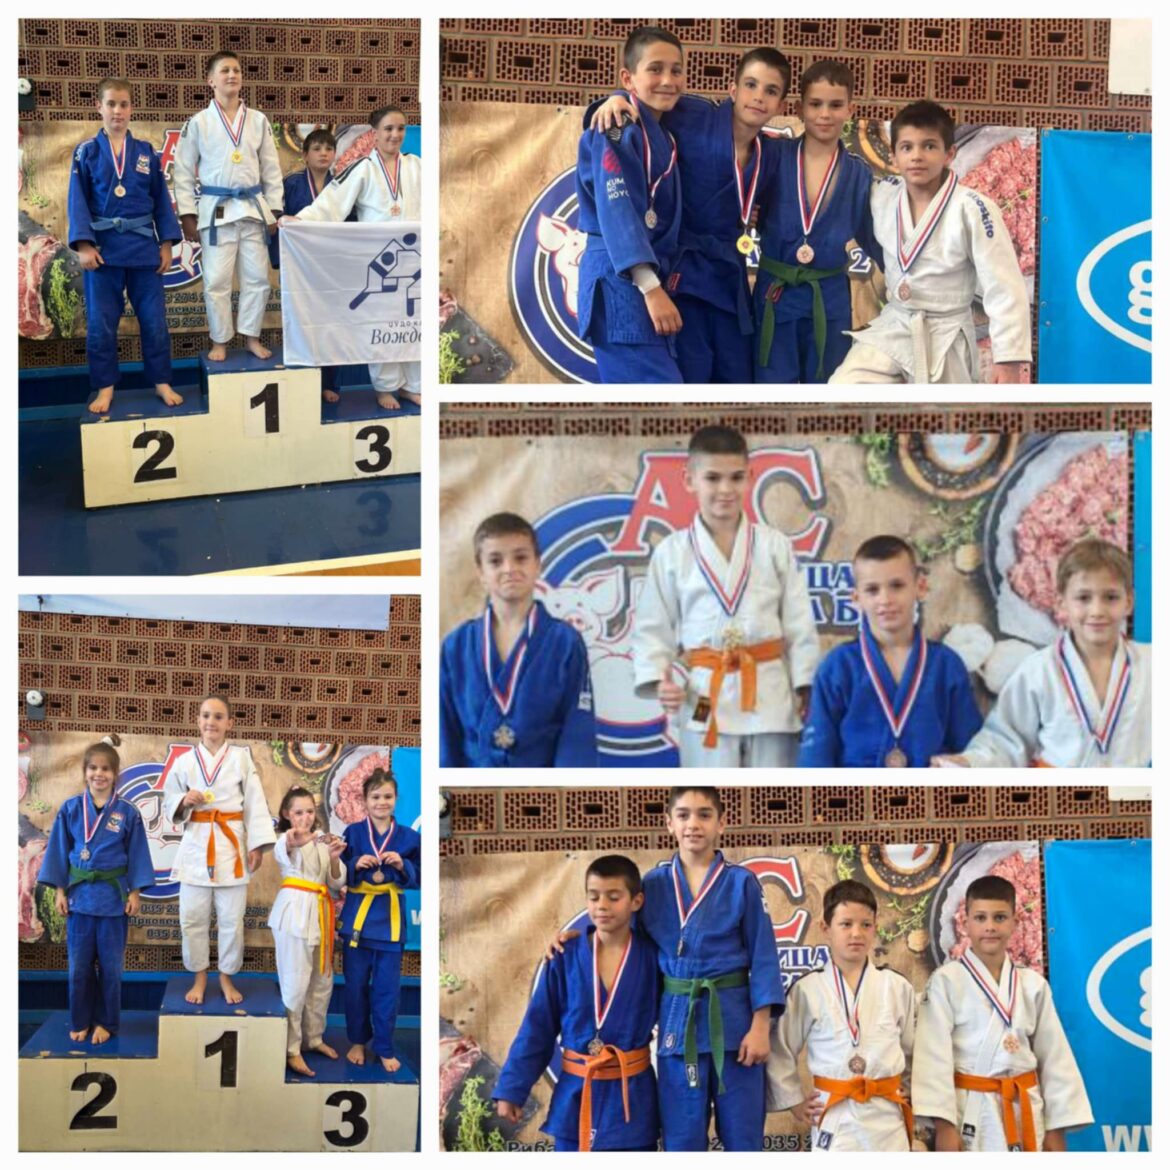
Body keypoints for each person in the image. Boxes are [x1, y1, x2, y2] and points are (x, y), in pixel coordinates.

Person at [589, 48, 791, 383]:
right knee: (692, 377)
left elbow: (771, 204)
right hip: (685, 277)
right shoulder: (694, 114)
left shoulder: (770, 152)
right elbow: (650, 98)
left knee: (736, 379)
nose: (758, 97)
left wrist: (753, 214)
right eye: (750, 85)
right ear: (733, 89)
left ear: (781, 105)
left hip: (731, 278)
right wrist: (616, 97)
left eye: (770, 91)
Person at [632, 425, 819, 767]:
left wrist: (804, 681)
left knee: (773, 793)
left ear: (750, 478)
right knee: (709, 790)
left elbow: (799, 622)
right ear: (689, 479)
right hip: (704, 693)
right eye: (713, 478)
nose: (725, 489)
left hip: (770, 693)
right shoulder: (672, 553)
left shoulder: (774, 545)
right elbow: (651, 627)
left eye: (736, 478)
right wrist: (659, 679)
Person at [830, 100, 1030, 384]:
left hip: (946, 332)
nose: (917, 156)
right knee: (845, 386)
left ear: (949, 154)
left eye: (929, 146)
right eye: (907, 147)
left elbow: (1004, 286)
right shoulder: (882, 195)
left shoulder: (973, 207)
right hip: (896, 324)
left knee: (943, 410)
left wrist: (1008, 360)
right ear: (893, 156)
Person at [912, 875, 1092, 1150]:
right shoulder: (946, 981)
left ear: (1015, 922)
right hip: (971, 1110)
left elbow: (1055, 1057)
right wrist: (944, 1126)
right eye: (980, 918)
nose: (990, 927)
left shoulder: (1033, 984)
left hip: (1025, 1107)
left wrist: (1056, 1128)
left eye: (999, 918)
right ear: (965, 923)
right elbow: (932, 1057)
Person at [935, 538, 1150, 767]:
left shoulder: (1154, 664)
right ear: (1061, 603)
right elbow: (1006, 740)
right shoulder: (1038, 669)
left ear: (1129, 602)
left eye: (1111, 597)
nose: (1097, 610)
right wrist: (968, 763)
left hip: (1133, 788)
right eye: (1083, 598)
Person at [494, 855, 660, 1152]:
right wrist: (512, 1089)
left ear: (636, 901)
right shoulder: (565, 955)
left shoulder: (654, 957)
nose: (602, 906)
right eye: (594, 897)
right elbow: (538, 1026)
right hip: (576, 1094)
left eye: (613, 897)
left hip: (632, 1101)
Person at [280, 105, 421, 409]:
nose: (395, 134)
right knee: (382, 325)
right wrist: (301, 220)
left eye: (400, 128)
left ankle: (413, 386)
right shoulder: (362, 168)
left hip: (415, 259)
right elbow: (332, 204)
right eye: (388, 128)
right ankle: (385, 387)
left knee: (413, 323)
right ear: (374, 133)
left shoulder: (417, 166)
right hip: (380, 259)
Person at [799, 535, 982, 767]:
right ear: (856, 598)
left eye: (896, 586)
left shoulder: (946, 665)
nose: (885, 599)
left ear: (920, 587)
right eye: (872, 590)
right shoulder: (837, 666)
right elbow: (816, 757)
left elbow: (970, 750)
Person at [755, 61, 881, 384]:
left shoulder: (859, 173)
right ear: (800, 108)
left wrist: (908, 279)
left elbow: (874, 240)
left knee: (827, 389)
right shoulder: (774, 156)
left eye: (835, 105)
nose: (825, 114)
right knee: (771, 391)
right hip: (775, 293)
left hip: (828, 297)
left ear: (850, 110)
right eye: (815, 104)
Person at [439, 512, 598, 767]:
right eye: (495, 561)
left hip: (541, 784)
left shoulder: (565, 642)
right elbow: (444, 738)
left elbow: (577, 735)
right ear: (480, 572)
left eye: (521, 558)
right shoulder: (456, 647)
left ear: (537, 564)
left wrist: (564, 790)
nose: (509, 569)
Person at [767, 880, 916, 1151]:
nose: (856, 933)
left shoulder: (896, 986)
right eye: (846, 924)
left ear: (875, 928)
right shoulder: (807, 989)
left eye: (865, 925)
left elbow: (914, 1049)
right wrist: (794, 1101)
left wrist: (911, 1088)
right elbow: (780, 1048)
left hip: (887, 1113)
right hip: (835, 1112)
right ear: (826, 928)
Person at [576, 26, 685, 383]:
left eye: (676, 70)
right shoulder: (615, 124)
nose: (668, 80)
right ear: (628, 78)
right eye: (655, 69)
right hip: (622, 277)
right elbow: (617, 209)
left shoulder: (663, 132)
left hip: (644, 279)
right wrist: (649, 286)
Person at [67, 77, 183, 414]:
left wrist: (166, 243)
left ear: (131, 108)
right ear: (99, 107)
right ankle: (105, 387)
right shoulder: (86, 152)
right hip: (103, 251)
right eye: (111, 104)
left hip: (144, 249)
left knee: (154, 320)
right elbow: (77, 200)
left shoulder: (146, 152)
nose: (117, 110)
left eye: (123, 104)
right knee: (102, 323)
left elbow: (161, 200)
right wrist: (84, 244)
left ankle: (161, 381)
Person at [162, 694, 276, 1005]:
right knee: (192, 919)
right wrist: (183, 801)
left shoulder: (241, 758)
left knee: (231, 920)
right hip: (196, 846)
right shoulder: (184, 761)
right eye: (205, 715)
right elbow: (169, 798)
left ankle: (226, 976)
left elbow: (255, 802)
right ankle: (199, 976)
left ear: (229, 723)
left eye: (218, 716)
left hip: (231, 846)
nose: (210, 722)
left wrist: (257, 845)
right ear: (197, 721)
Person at [39, 741, 155, 1044]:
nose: (98, 774)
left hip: (113, 900)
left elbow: (138, 853)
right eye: (93, 768)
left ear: (115, 774)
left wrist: (135, 892)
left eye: (105, 769)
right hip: (79, 900)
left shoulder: (127, 812)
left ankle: (106, 1022)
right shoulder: (71, 809)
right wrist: (60, 891)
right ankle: (80, 1020)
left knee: (111, 968)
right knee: (78, 968)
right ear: (85, 771)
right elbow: (58, 852)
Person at [174, 50, 283, 363]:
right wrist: (188, 215)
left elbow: (271, 168)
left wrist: (274, 209)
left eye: (236, 70)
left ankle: (252, 336)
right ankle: (220, 340)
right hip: (216, 212)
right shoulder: (199, 122)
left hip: (253, 211)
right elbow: (183, 171)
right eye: (224, 70)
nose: (232, 75)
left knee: (257, 280)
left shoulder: (258, 120)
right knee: (217, 282)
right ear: (211, 80)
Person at [337, 767, 420, 1073]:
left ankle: (384, 1047)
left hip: (390, 922)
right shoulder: (353, 833)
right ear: (364, 801)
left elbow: (423, 875)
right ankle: (358, 1041)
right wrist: (354, 863)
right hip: (358, 922)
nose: (381, 802)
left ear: (396, 799)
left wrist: (403, 866)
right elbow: (338, 871)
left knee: (387, 992)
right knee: (355, 987)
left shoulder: (410, 837)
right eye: (375, 797)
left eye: (387, 796)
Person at [267, 127, 355, 402]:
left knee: (332, 325)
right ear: (304, 155)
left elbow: (352, 224)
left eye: (329, 149)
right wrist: (280, 260)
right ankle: (302, 380)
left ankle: (330, 383)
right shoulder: (290, 184)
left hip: (331, 267)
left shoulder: (342, 186)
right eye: (316, 149)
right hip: (299, 268)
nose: (323, 153)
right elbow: (278, 223)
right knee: (300, 323)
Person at [268, 786, 346, 1076]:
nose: (305, 817)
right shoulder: (286, 839)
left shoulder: (324, 842)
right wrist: (296, 840)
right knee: (295, 982)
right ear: (287, 814)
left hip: (321, 913)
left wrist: (335, 857)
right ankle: (291, 1048)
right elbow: (284, 849)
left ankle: (313, 1038)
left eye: (310, 811)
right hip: (294, 914)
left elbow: (336, 883)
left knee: (322, 981)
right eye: (298, 812)